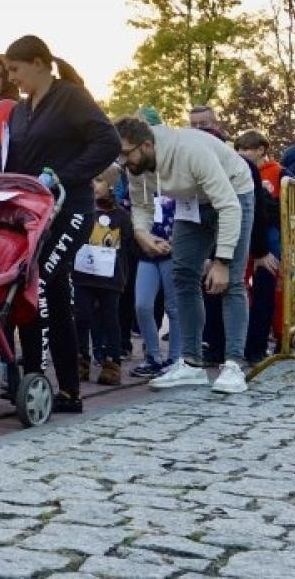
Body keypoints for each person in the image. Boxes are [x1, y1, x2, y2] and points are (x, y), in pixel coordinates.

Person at [0, 36, 120, 414]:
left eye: (15, 70)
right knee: (36, 289)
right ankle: (51, 385)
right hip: (31, 214)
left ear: (38, 63)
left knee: (42, 280)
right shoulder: (18, 111)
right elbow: (9, 160)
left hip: (70, 210)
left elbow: (108, 143)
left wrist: (63, 177)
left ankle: (51, 382)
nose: (12, 78)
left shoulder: (70, 97)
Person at [115, 117, 255, 395]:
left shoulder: (191, 151)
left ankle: (234, 364)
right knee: (182, 275)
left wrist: (222, 261)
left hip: (233, 194)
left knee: (232, 282)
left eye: (125, 153)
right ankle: (192, 364)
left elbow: (228, 205)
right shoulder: (137, 163)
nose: (122, 161)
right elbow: (141, 204)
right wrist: (141, 232)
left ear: (146, 145)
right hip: (191, 202)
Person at [73, 167, 134, 386]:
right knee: (81, 317)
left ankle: (112, 362)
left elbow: (127, 245)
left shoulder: (122, 217)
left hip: (110, 279)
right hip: (82, 276)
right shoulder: (81, 211)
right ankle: (81, 360)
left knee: (110, 320)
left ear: (111, 185)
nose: (93, 185)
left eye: (98, 180)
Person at [233, 131, 283, 364]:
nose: (242, 154)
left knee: (265, 290)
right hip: (242, 233)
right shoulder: (233, 171)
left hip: (269, 237)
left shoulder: (280, 173)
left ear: (261, 150)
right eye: (239, 150)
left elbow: (286, 206)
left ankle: (257, 346)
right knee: (238, 290)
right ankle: (235, 343)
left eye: (247, 150)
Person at [128, 163, 180, 379]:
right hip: (147, 251)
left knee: (174, 307)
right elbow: (132, 212)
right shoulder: (140, 185)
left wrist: (175, 242)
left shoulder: (179, 184)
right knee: (142, 305)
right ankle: (153, 356)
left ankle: (176, 358)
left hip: (172, 250)